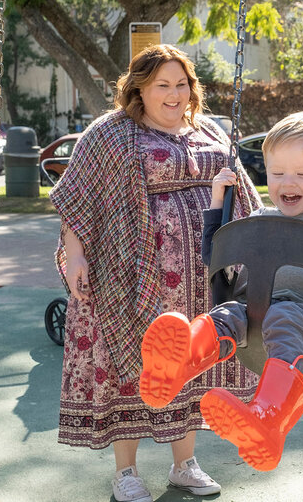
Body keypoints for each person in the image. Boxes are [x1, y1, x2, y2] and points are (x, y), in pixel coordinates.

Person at [50, 44, 262, 502]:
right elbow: (77, 199)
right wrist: (76, 256)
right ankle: (126, 473)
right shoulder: (110, 134)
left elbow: (243, 193)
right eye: (162, 85)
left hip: (199, 281)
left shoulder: (207, 129)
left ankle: (184, 465)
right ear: (138, 89)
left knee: (186, 364)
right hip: (127, 277)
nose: (174, 94)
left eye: (181, 84)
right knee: (132, 368)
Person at [138, 112, 303, 471]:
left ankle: (268, 417)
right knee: (222, 316)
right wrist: (218, 201)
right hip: (248, 306)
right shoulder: (261, 215)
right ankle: (179, 364)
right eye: (277, 174)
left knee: (283, 315)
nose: (288, 183)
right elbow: (214, 254)